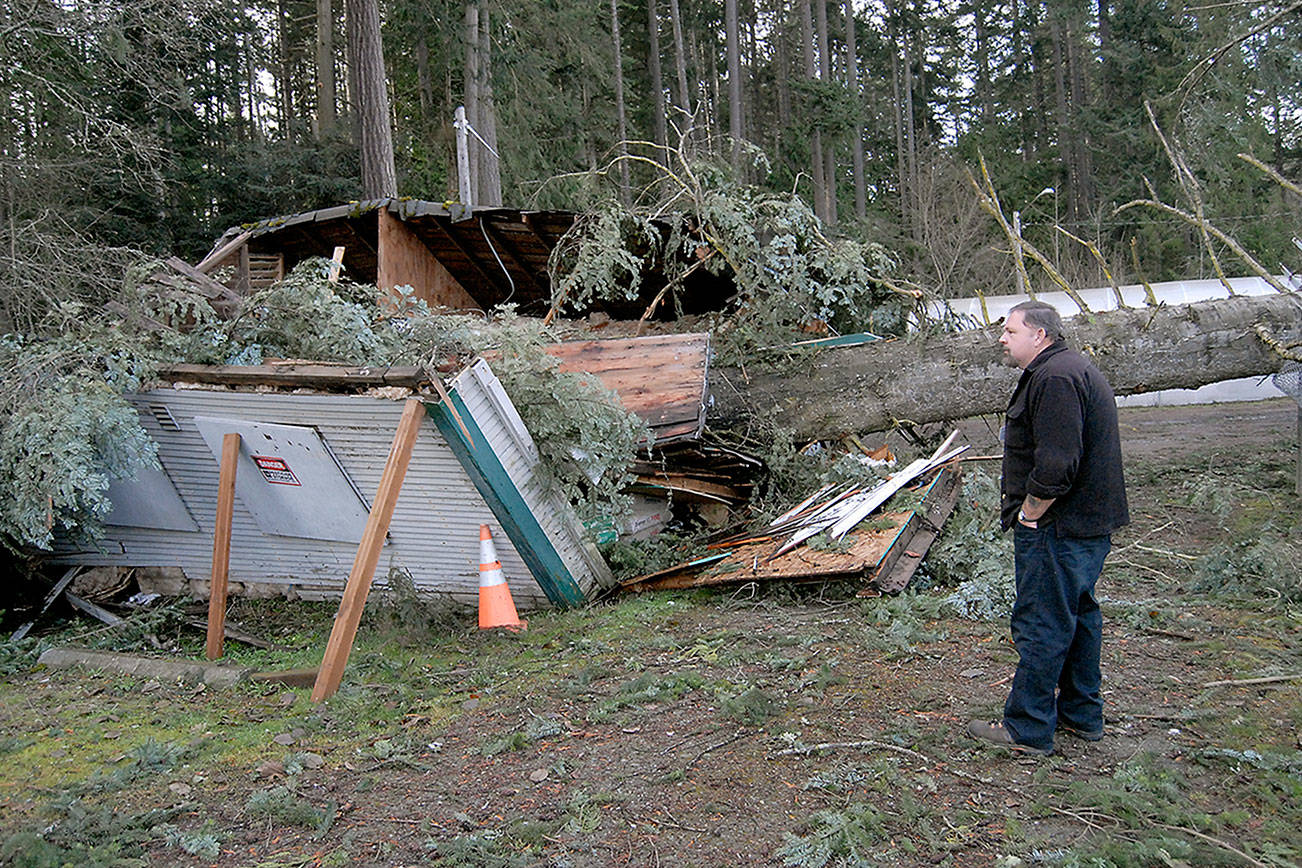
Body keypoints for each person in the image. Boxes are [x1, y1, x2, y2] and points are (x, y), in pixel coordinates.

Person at [967, 300, 1129, 756]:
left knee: (1044, 622)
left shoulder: (1056, 377)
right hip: (1083, 525)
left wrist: (1031, 513)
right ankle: (1081, 715)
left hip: (1060, 525)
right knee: (1077, 618)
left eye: (1010, 330)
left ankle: (1029, 727)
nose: (1002, 338)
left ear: (1040, 335)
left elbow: (1058, 464)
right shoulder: (1066, 369)